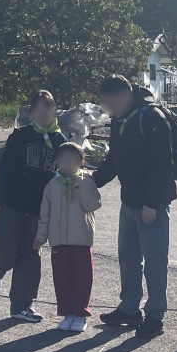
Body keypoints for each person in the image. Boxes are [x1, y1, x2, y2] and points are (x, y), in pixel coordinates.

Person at [92, 75, 177, 339]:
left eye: (109, 104)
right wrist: (90, 182)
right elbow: (113, 159)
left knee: (154, 261)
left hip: (152, 204)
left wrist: (151, 202)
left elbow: (163, 164)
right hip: (129, 201)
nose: (108, 110)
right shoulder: (121, 119)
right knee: (128, 258)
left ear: (124, 96)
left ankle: (154, 316)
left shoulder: (151, 117)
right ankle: (129, 309)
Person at [0, 90, 65, 322]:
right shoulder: (21, 136)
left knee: (30, 256)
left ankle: (21, 306)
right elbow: (4, 168)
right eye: (38, 108)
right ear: (31, 113)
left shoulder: (60, 142)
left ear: (55, 111)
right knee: (5, 249)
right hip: (11, 204)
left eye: (48, 108)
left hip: (38, 210)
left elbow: (65, 174)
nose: (43, 113)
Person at [34, 142, 102, 333]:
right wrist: (41, 236)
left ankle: (80, 313)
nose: (67, 163)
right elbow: (45, 214)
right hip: (59, 241)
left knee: (82, 278)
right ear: (57, 162)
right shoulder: (52, 185)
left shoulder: (87, 180)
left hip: (81, 240)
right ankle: (67, 313)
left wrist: (82, 183)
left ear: (81, 162)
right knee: (62, 279)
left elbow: (93, 205)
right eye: (63, 159)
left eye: (72, 159)